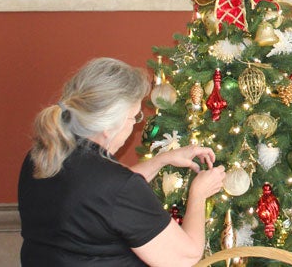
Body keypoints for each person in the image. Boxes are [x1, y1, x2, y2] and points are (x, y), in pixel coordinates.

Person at [18, 57, 226, 266]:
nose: (134, 125)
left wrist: (162, 160)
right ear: (109, 125)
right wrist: (199, 193)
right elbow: (184, 257)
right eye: (134, 117)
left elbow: (102, 199)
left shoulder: (41, 156)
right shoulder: (116, 186)